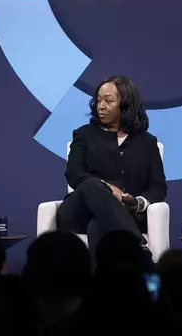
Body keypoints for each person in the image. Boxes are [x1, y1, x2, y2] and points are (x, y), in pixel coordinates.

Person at [56, 76, 167, 260]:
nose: (100, 106)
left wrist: (138, 202)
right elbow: (74, 174)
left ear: (125, 104)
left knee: (98, 226)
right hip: (78, 212)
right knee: (92, 184)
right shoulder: (84, 135)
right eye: (98, 100)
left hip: (123, 215)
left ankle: (100, 286)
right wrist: (108, 189)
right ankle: (137, 246)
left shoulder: (147, 142)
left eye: (108, 101)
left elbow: (158, 186)